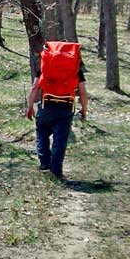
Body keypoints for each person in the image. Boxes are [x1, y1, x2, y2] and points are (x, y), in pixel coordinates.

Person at [25, 43, 89, 180]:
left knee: (42, 133)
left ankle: (44, 164)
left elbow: (35, 87)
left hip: (46, 105)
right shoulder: (76, 70)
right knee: (60, 141)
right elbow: (83, 92)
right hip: (65, 108)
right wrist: (84, 109)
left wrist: (29, 106)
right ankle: (56, 171)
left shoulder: (46, 66)